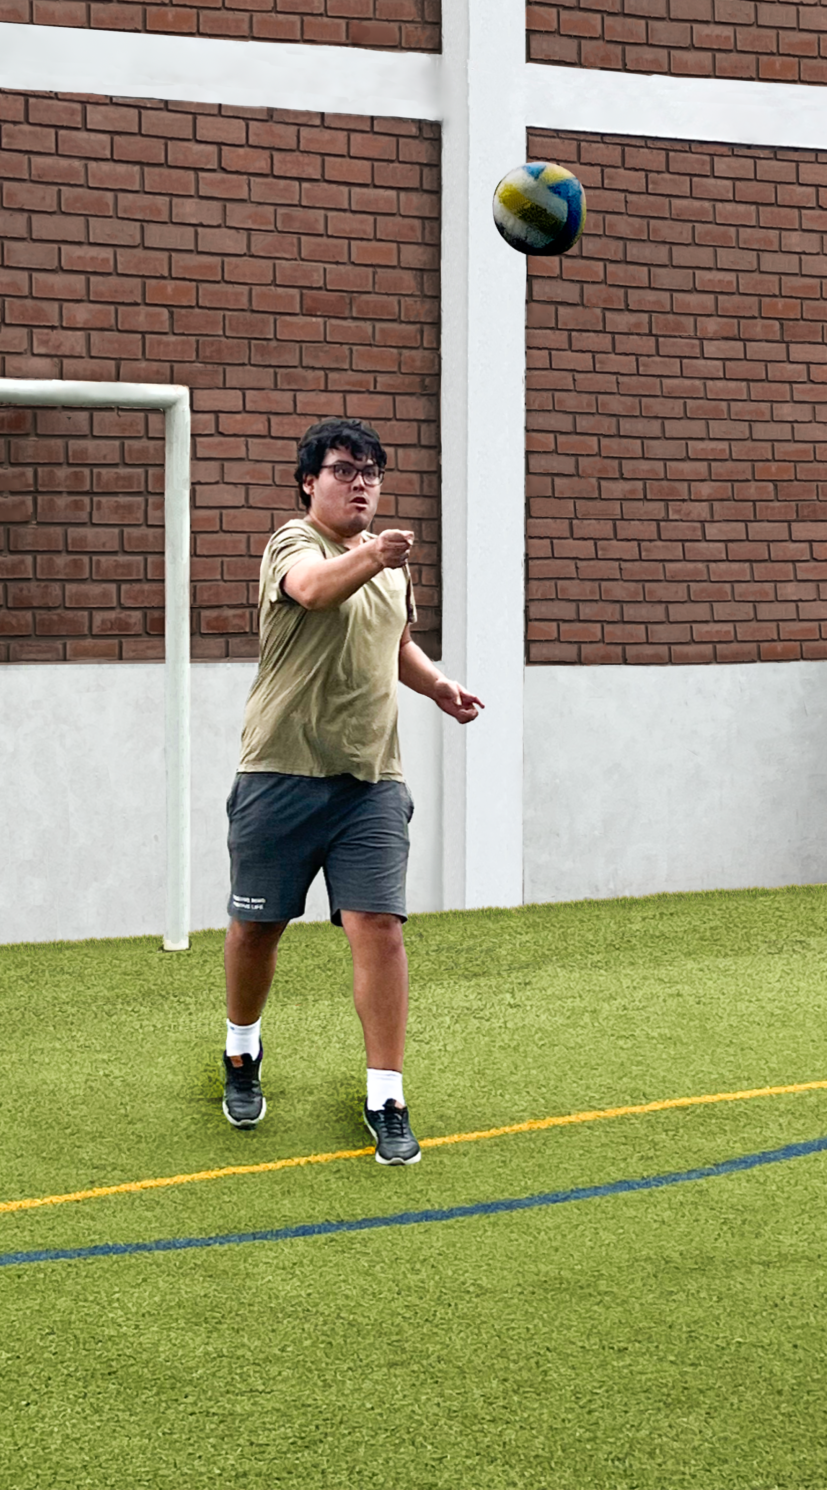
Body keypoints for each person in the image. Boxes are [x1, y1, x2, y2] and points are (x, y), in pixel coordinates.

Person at [221, 418, 483, 1165]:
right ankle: (242, 1049)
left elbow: (395, 643)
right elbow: (310, 593)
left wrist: (438, 687)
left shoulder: (391, 570)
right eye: (344, 469)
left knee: (380, 927)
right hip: (279, 772)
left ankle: (386, 1093)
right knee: (257, 930)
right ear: (310, 482)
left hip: (370, 781)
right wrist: (372, 553)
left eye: (371, 470)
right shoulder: (294, 544)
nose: (361, 481)